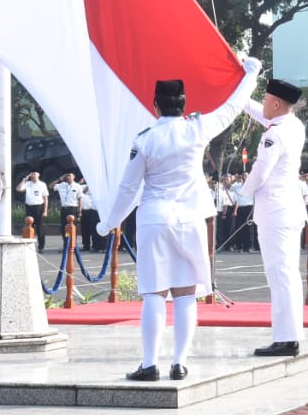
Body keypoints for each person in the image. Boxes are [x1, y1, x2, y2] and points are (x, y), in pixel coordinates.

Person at [98, 59, 260, 381]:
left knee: (154, 294)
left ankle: (149, 364)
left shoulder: (144, 140)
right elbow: (233, 107)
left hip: (154, 218)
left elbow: (128, 189)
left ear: (155, 105)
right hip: (189, 218)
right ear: (184, 104)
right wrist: (251, 74)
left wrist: (109, 223)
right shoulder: (197, 127)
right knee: (186, 293)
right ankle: (180, 363)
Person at [241, 78, 308, 357]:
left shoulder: (274, 134)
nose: (264, 102)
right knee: (287, 274)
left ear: (277, 103)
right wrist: (239, 90)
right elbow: (259, 112)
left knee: (280, 275)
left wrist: (243, 193)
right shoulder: (293, 124)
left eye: (267, 98)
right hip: (288, 210)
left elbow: (261, 170)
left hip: (275, 212)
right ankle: (289, 334)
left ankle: (285, 338)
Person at [17, 171, 50, 251]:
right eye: (32, 175)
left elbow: (45, 198)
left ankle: (41, 246)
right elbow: (19, 189)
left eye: (34, 174)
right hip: (29, 207)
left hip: (39, 207)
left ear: (38, 176)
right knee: (29, 227)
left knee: (40, 228)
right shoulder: (27, 184)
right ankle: (28, 246)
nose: (33, 176)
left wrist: (45, 211)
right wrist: (24, 180)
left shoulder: (42, 184)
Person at [53, 173, 84, 246]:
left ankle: (73, 243)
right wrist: (59, 179)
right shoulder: (62, 185)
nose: (68, 177)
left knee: (73, 227)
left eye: (70, 176)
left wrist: (79, 211)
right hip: (64, 209)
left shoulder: (77, 186)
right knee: (64, 227)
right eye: (67, 176)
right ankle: (66, 242)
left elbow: (80, 199)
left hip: (73, 208)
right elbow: (51, 186)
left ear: (74, 177)